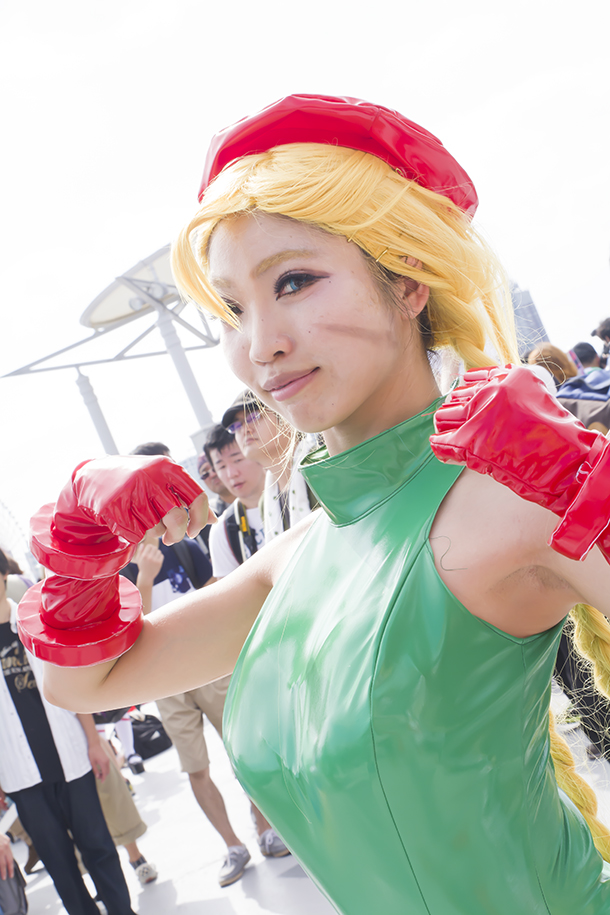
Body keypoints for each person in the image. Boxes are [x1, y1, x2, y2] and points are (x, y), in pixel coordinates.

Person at [21, 94, 610, 914]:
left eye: (294, 281)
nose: (259, 344)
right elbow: (86, 682)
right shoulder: (293, 560)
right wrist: (84, 537)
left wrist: (587, 487)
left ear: (407, 279)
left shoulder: (510, 496)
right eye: (232, 309)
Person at [0, 549, 137, 915]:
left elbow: (72, 683)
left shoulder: (34, 622)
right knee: (59, 864)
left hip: (70, 754)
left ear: (3, 576)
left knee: (99, 846)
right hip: (21, 774)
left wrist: (93, 742)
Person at [222, 390, 318, 539]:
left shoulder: (320, 464)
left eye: (254, 417)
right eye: (236, 426)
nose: (245, 429)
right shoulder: (266, 501)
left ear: (285, 414)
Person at [205, 425, 265, 577]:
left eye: (237, 460)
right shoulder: (222, 531)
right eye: (221, 466)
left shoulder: (298, 493)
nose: (231, 473)